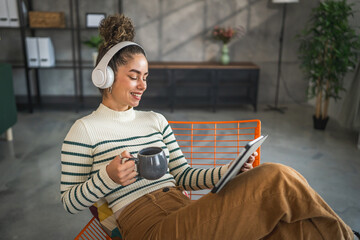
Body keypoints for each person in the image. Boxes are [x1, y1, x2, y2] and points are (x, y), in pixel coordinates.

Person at [61, 14, 356, 240]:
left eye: (146, 76)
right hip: (147, 225)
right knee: (277, 176)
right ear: (106, 77)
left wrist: (229, 171)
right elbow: (69, 202)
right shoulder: (85, 130)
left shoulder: (155, 120)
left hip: (184, 211)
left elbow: (184, 176)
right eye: (134, 76)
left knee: (287, 230)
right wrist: (108, 177)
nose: (143, 85)